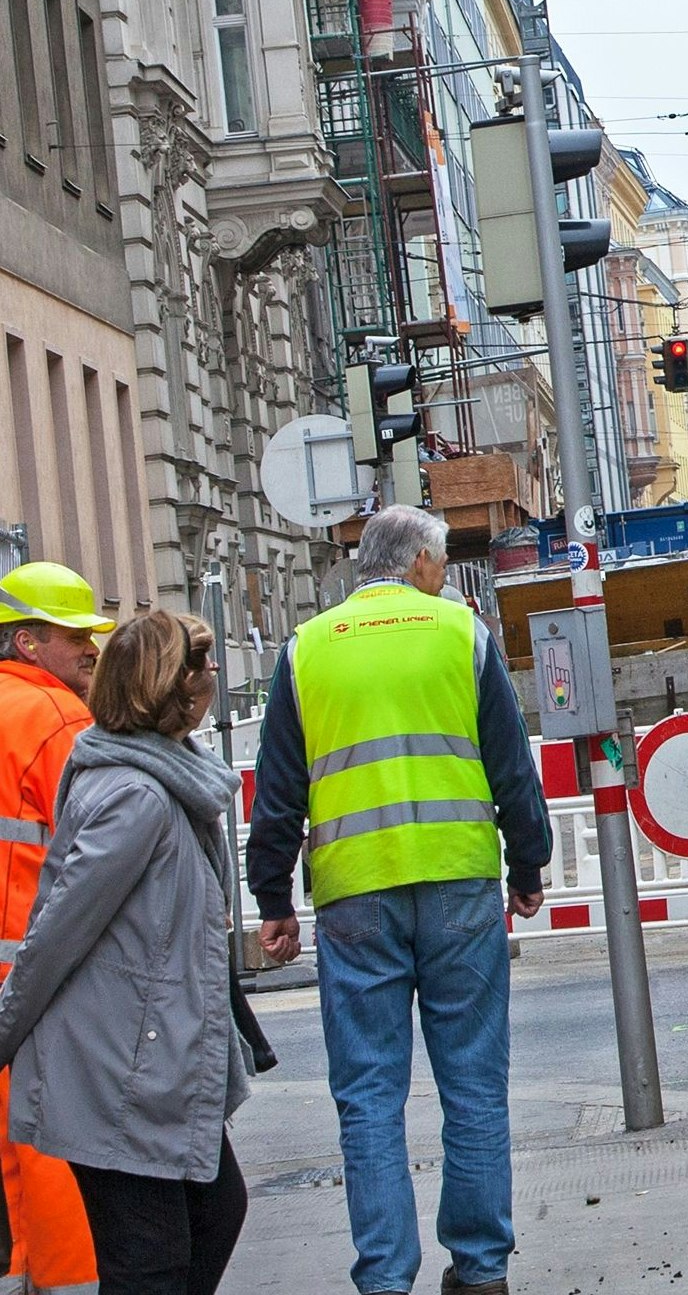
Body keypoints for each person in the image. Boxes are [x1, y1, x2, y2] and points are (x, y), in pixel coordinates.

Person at [246, 508, 553, 1295]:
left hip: (355, 894)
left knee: (369, 1094)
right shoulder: (462, 636)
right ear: (417, 560)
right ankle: (481, 1269)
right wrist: (528, 864)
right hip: (457, 882)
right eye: (442, 561)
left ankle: (385, 1276)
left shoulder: (308, 649)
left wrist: (271, 892)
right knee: (474, 1082)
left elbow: (278, 785)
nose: (444, 573)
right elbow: (510, 765)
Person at [0, 611, 255, 1295]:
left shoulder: (166, 777)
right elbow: (56, 932)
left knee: (209, 1215)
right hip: (120, 1069)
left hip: (145, 1063)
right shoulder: (135, 794)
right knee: (152, 1260)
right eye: (199, 666)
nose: (210, 677)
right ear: (165, 688)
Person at [0, 561, 111, 1295]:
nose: (90, 651)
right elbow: (98, 844)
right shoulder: (59, 720)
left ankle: (23, 1276)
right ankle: (73, 1281)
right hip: (44, 973)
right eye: (76, 637)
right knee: (55, 1143)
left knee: (12, 1149)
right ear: (30, 641)